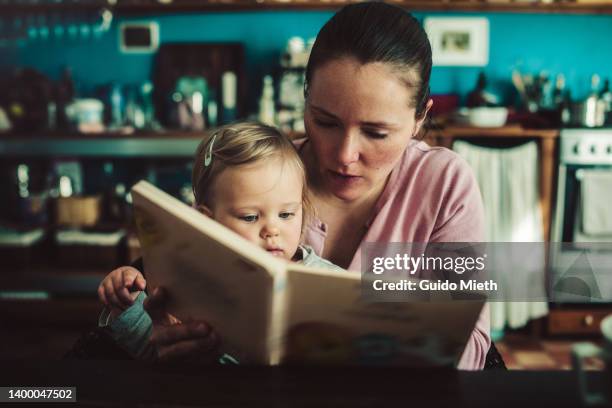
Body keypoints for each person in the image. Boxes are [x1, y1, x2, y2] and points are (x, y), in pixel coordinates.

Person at [103, 1, 490, 369]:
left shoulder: (445, 184)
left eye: (376, 132)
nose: (344, 155)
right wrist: (174, 340)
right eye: (325, 122)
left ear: (420, 118)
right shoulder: (260, 177)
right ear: (305, 99)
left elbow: (472, 349)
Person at [97, 122, 342, 362]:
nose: (272, 230)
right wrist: (126, 305)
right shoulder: (188, 284)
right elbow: (151, 350)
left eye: (286, 214)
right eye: (250, 217)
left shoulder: (330, 281)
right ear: (207, 220)